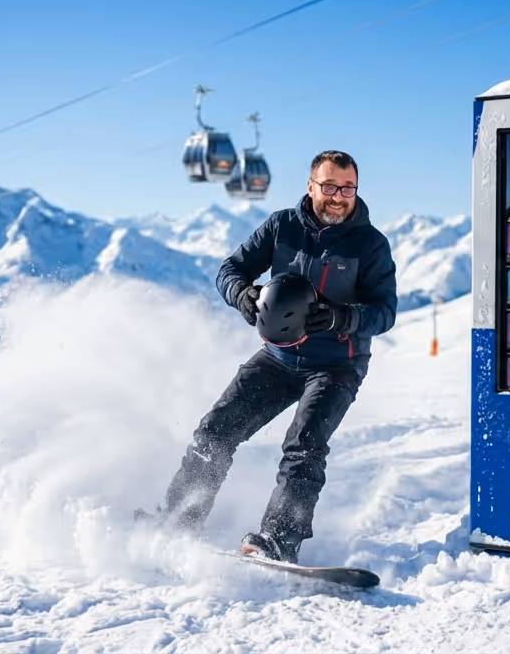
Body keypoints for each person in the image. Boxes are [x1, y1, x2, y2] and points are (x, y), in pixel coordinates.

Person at [138, 150, 398, 564]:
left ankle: (278, 540)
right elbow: (230, 269)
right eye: (329, 186)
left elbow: (385, 312)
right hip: (277, 358)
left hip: (336, 364)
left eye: (347, 188)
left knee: (304, 445)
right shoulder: (282, 226)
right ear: (310, 186)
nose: (338, 197)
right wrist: (241, 295)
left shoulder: (369, 244)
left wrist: (340, 317)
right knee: (215, 431)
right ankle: (178, 519)